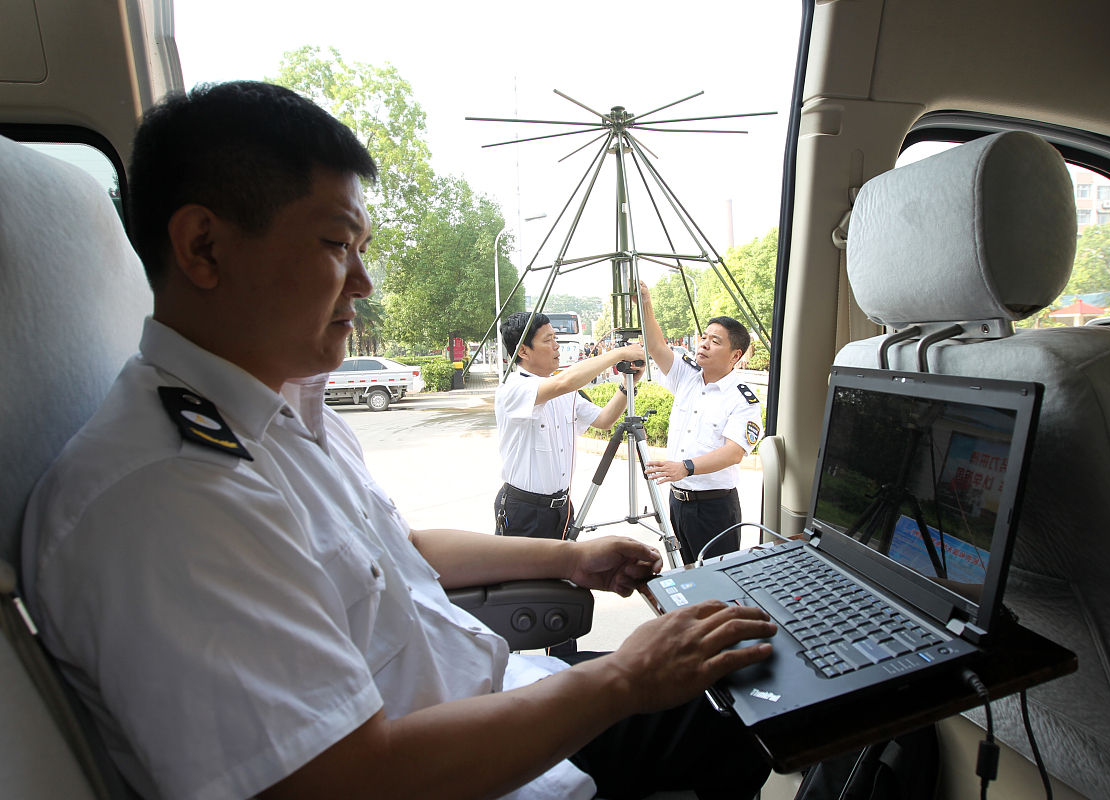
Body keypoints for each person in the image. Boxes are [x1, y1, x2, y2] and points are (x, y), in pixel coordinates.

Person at [20, 82, 775, 800]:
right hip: (470, 765)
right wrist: (621, 682)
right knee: (750, 714)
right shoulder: (167, 499)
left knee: (748, 681)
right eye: (336, 244)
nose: (365, 282)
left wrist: (572, 557)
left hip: (496, 694)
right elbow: (342, 782)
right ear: (204, 247)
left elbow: (398, 551)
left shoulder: (284, 416)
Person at [639, 280, 763, 565]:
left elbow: (734, 452)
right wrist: (646, 301)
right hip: (678, 503)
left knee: (718, 585)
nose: (704, 344)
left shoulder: (743, 400)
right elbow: (656, 345)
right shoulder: (687, 377)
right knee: (687, 576)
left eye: (715, 341)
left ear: (736, 356)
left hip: (714, 508)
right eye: (704, 337)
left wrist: (685, 468)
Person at [494, 311, 645, 543]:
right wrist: (619, 353)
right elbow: (565, 381)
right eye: (548, 340)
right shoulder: (513, 389)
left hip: (562, 508)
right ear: (523, 351)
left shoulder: (566, 393)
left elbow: (604, 420)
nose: (557, 346)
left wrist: (629, 383)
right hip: (524, 509)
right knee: (527, 578)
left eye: (556, 338)